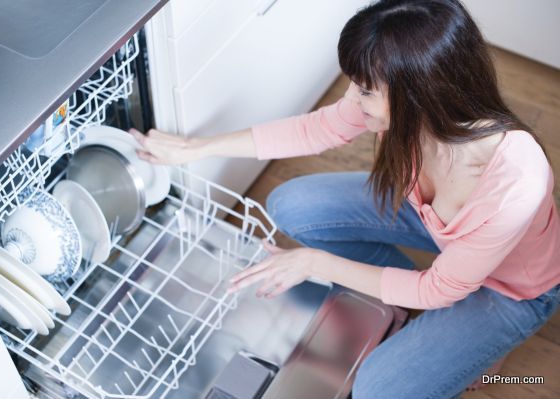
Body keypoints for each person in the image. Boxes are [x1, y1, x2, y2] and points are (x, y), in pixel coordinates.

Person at [130, 0, 560, 397]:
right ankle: (416, 308)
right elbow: (309, 131)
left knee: (376, 389)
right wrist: (194, 149)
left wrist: (315, 263)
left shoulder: (516, 181)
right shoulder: (408, 108)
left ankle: (482, 346)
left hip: (513, 288)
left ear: (421, 94)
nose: (352, 99)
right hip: (444, 242)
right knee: (292, 205)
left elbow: (438, 290)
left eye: (365, 90)